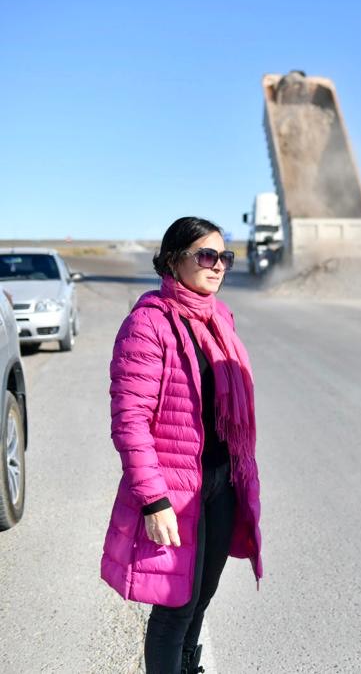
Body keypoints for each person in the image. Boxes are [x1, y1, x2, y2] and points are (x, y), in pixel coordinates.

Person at [100, 217, 263, 674]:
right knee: (174, 606)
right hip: (174, 489)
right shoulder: (147, 324)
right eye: (206, 256)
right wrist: (154, 500)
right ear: (174, 260)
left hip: (220, 481)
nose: (219, 267)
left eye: (224, 257)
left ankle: (190, 667)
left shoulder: (219, 318)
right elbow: (130, 421)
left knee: (203, 595)